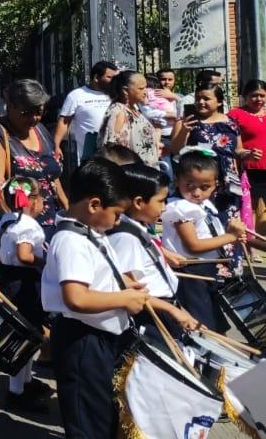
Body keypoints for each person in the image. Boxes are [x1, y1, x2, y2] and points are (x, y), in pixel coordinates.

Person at [42, 158, 193, 439]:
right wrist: (122, 300)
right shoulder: (71, 241)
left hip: (99, 338)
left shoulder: (91, 233)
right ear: (94, 205)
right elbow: (76, 298)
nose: (119, 220)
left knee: (107, 415)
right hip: (82, 340)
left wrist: (128, 288)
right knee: (89, 422)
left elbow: (103, 278)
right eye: (117, 212)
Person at [168, 81, 262, 271]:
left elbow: (237, 150)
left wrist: (248, 154)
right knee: (205, 224)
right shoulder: (188, 121)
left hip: (228, 184)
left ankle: (231, 269)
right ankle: (209, 267)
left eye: (206, 98)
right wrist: (184, 130)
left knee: (229, 224)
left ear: (219, 102)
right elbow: (175, 149)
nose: (200, 102)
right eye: (198, 99)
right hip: (200, 183)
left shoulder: (231, 123)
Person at [160, 149, 248, 329]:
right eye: (189, 185)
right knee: (201, 322)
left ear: (215, 185)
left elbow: (211, 236)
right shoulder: (180, 207)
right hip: (191, 271)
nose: (197, 192)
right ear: (177, 180)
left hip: (207, 269)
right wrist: (230, 236)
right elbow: (193, 245)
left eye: (204, 187)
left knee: (214, 319)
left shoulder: (204, 205)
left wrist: (233, 235)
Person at [107, 163, 192, 340]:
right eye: (160, 201)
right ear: (138, 202)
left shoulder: (139, 229)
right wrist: (171, 309)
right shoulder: (126, 238)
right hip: (150, 314)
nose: (164, 208)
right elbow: (129, 292)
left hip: (163, 307)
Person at [0, 177, 50, 413]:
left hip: (7, 277)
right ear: (31, 201)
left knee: (28, 334)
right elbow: (24, 255)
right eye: (42, 197)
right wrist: (45, 262)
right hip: (24, 282)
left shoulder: (5, 220)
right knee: (25, 335)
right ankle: (17, 392)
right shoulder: (29, 225)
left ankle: (25, 382)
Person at [0, 79, 68, 236]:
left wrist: (68, 210)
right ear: (10, 106)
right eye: (26, 113)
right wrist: (12, 222)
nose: (34, 118)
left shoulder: (40, 130)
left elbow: (52, 176)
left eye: (39, 112)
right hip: (17, 223)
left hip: (51, 220)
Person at [53, 60, 118, 165]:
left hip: (116, 153)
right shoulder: (77, 95)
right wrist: (56, 145)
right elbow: (64, 122)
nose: (114, 81)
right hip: (90, 156)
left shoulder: (117, 95)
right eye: (110, 77)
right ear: (96, 77)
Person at [97, 70, 160, 167]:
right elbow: (111, 150)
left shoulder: (135, 109)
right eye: (141, 88)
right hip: (132, 175)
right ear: (125, 91)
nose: (145, 92)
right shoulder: (119, 111)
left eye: (146, 87)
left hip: (146, 171)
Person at [227, 78, 266, 226]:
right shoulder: (235, 114)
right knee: (250, 208)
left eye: (262, 95)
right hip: (249, 168)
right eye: (254, 95)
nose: (259, 99)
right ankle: (250, 242)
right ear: (245, 96)